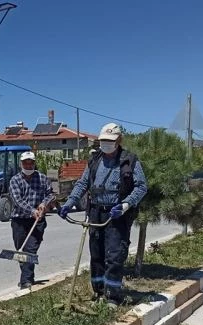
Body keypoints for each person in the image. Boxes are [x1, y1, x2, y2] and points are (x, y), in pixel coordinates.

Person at [58, 123, 147, 305]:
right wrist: (69, 203)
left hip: (117, 215)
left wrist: (126, 205)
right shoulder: (95, 160)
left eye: (110, 141)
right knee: (96, 255)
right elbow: (83, 184)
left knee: (114, 256)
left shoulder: (129, 161)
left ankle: (112, 297)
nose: (105, 144)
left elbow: (141, 187)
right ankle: (98, 293)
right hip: (96, 213)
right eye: (103, 141)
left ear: (119, 141)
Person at [8, 151, 54, 289]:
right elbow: (17, 200)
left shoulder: (42, 178)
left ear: (34, 163)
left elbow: (50, 194)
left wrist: (44, 204)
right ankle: (28, 277)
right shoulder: (15, 180)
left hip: (37, 221)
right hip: (19, 220)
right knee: (21, 252)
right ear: (21, 164)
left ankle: (25, 281)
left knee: (30, 250)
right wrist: (32, 210)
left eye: (31, 162)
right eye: (25, 163)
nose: (28, 165)